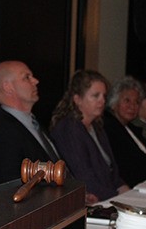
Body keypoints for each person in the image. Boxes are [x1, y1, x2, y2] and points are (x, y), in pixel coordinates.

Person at [50, 70, 129, 203]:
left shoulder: (96, 126)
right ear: (77, 99)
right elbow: (84, 178)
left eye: (104, 96)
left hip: (108, 197)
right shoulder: (69, 129)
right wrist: (118, 198)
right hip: (92, 201)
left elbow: (111, 171)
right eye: (95, 96)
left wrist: (124, 189)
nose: (102, 101)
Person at [0, 60, 60, 184]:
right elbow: (9, 189)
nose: (35, 81)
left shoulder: (34, 124)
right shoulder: (2, 135)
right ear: (8, 87)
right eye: (26, 77)